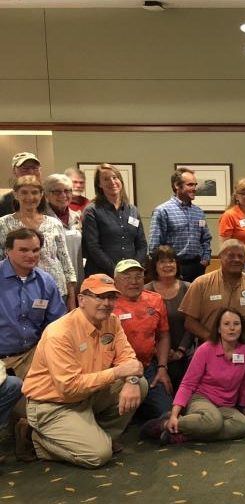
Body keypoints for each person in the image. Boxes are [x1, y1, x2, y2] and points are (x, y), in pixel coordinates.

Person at [19, 274, 148, 468]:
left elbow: (128, 359)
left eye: (111, 297)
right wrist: (118, 372)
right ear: (81, 300)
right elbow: (69, 387)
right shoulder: (60, 332)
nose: (107, 303)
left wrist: (131, 381)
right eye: (99, 296)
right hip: (52, 405)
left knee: (140, 384)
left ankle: (95, 435)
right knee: (98, 456)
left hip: (87, 396)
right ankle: (34, 436)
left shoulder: (112, 321)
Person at [143, 308, 245, 444]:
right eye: (226, 324)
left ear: (242, 328)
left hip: (226, 405)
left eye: (236, 324)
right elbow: (187, 383)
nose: (232, 328)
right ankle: (165, 423)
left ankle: (184, 435)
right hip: (202, 398)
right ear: (219, 329)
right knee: (214, 422)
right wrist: (174, 414)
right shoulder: (206, 349)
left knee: (242, 425)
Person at [178, 240, 245, 398]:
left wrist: (244, 336)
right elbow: (190, 322)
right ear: (221, 257)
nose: (236, 259)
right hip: (210, 338)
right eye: (231, 255)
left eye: (240, 256)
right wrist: (213, 339)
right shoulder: (201, 283)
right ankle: (209, 396)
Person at [0, 228, 66, 385]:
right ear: (8, 251)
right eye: (23, 250)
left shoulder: (46, 281)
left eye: (35, 250)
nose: (31, 255)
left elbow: (57, 324)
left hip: (33, 354)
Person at [0, 176, 76, 310]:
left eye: (34, 192)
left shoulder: (54, 223)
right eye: (24, 192)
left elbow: (65, 261)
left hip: (56, 289)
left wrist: (71, 298)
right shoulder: (3, 224)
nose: (30, 197)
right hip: (18, 291)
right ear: (15, 194)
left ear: (42, 195)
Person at [113, 259, 172, 422]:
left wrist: (162, 368)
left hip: (148, 367)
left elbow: (163, 335)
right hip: (117, 371)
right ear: (115, 281)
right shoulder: (107, 302)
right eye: (126, 277)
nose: (133, 282)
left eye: (138, 276)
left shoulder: (155, 299)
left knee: (166, 414)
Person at [81, 163, 147, 279]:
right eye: (106, 179)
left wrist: (134, 268)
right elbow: (93, 247)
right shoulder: (92, 211)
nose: (112, 182)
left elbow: (141, 244)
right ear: (99, 184)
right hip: (103, 275)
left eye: (114, 177)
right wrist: (117, 271)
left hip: (131, 277)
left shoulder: (132, 210)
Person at [148, 167, 211, 282]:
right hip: (174, 268)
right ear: (177, 185)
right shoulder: (162, 211)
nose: (194, 188)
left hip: (198, 267)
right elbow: (154, 247)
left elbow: (206, 238)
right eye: (190, 185)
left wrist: (205, 259)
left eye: (195, 185)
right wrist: (165, 267)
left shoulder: (198, 212)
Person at [145, 245, 193, 390]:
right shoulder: (145, 291)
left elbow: (193, 324)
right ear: (155, 266)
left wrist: (181, 350)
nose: (168, 265)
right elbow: (144, 328)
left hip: (185, 352)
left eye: (171, 261)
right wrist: (160, 353)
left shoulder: (189, 288)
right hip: (154, 355)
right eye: (162, 262)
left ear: (177, 265)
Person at [43, 174, 83, 286]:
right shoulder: (41, 218)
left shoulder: (77, 217)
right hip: (53, 279)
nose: (63, 195)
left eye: (67, 191)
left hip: (77, 274)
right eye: (57, 191)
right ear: (46, 194)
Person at [218, 178, 245, 278]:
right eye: (244, 193)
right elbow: (224, 246)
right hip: (240, 265)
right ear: (237, 196)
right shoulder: (229, 215)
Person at [1, 152, 45, 217]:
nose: (31, 172)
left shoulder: (52, 196)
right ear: (14, 171)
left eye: (35, 168)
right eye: (25, 168)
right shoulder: (5, 202)